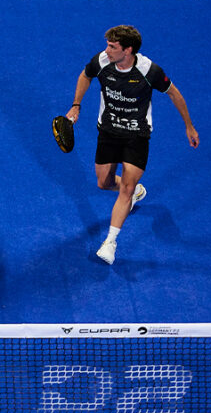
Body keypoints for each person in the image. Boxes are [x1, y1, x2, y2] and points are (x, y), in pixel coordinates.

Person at [67, 25, 199, 264]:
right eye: (107, 45)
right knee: (103, 183)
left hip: (136, 136)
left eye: (112, 46)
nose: (107, 50)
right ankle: (135, 192)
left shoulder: (149, 71)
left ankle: (110, 242)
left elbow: (174, 94)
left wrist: (189, 126)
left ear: (128, 50)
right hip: (108, 131)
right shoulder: (102, 61)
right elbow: (85, 75)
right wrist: (76, 105)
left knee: (126, 188)